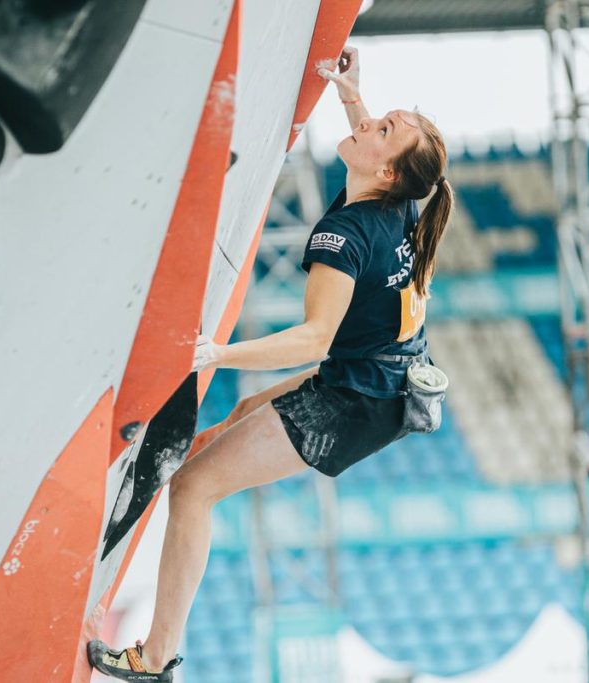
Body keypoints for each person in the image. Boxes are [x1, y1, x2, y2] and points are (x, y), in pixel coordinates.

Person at [87, 45, 454, 681]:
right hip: (380, 380)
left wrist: (217, 353)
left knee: (195, 486)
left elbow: (314, 340)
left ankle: (155, 660)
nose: (366, 126)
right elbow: (379, 146)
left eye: (382, 129)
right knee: (231, 428)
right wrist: (351, 93)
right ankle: (126, 521)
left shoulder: (343, 238)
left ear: (389, 171)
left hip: (356, 399)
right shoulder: (403, 198)